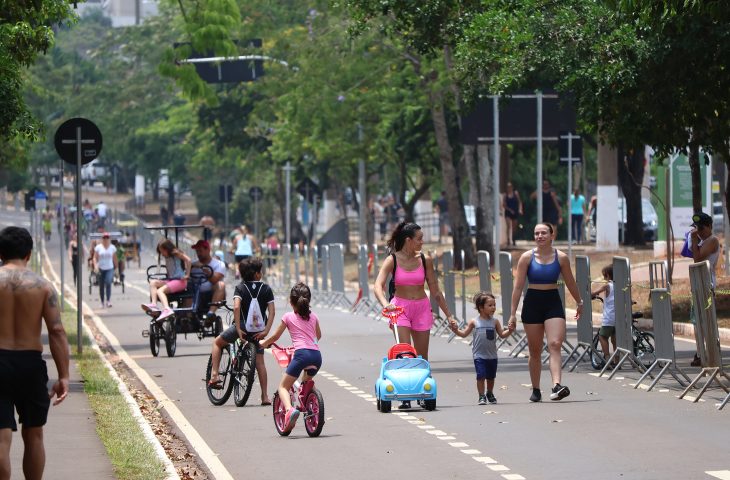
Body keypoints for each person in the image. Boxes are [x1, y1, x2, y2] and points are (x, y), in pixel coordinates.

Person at [0, 226, 70, 479]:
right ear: (29, 254)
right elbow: (57, 331)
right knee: (34, 433)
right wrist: (63, 375)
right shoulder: (43, 287)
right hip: (30, 365)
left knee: (0, 438)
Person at [373, 221, 455, 409]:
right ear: (408, 240)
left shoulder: (425, 259)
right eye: (419, 239)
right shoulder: (392, 259)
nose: (422, 242)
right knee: (404, 353)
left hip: (421, 308)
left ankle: (422, 393)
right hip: (399, 308)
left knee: (421, 357)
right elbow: (378, 285)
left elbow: (435, 289)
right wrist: (386, 305)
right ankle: (404, 395)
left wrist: (449, 315)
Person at [507, 223, 583, 402]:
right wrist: (512, 313)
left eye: (543, 233)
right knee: (535, 351)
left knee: (555, 343)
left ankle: (557, 385)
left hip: (552, 302)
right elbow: (518, 287)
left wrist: (579, 301)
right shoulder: (526, 258)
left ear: (552, 235)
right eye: (536, 233)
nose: (540, 236)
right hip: (532, 302)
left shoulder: (561, 257)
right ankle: (536, 389)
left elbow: (570, 282)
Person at [208, 258, 274, 405]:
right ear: (257, 274)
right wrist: (265, 331)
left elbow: (236, 307)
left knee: (217, 343)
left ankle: (214, 375)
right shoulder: (266, 289)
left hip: (243, 327)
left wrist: (238, 329)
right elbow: (272, 312)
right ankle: (264, 397)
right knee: (260, 363)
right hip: (259, 330)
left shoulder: (241, 288)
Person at [261, 282, 322, 433]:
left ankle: (289, 410)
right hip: (316, 355)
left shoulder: (288, 317)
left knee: (283, 386)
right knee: (306, 383)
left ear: (291, 301)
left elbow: (275, 336)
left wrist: (264, 343)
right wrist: (310, 343)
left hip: (301, 355)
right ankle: (310, 404)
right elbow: (318, 336)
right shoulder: (313, 317)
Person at [449, 292, 513, 405]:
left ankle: (490, 392)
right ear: (481, 307)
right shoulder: (474, 321)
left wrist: (510, 330)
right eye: (490, 305)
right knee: (481, 376)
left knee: (491, 377)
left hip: (492, 355)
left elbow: (502, 334)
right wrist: (455, 330)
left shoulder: (495, 321)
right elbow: (464, 334)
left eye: (494, 305)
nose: (493, 307)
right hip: (479, 355)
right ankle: (481, 395)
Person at [688, 211, 721, 366]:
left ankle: (711, 353)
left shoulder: (713, 240)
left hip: (707, 286)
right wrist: (692, 240)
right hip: (697, 285)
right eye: (696, 229)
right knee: (697, 322)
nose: (699, 232)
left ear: (709, 226)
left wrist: (694, 240)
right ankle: (700, 352)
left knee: (707, 322)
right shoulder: (700, 241)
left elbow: (698, 258)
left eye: (701, 229)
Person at [141, 239, 191, 320]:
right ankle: (153, 304)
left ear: (167, 249)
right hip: (172, 280)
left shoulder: (176, 254)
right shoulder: (167, 257)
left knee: (160, 291)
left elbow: (188, 260)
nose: (162, 254)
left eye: (162, 251)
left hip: (180, 281)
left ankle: (167, 309)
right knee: (153, 283)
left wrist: (187, 274)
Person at [190, 240, 227, 323]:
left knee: (221, 284)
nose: (198, 253)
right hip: (194, 293)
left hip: (210, 294)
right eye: (197, 251)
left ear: (208, 250)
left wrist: (203, 268)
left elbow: (214, 279)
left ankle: (210, 313)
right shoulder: (193, 264)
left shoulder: (219, 264)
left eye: (200, 251)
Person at [591, 265, 617, 368]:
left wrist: (591, 294)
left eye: (604, 276)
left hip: (609, 318)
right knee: (615, 340)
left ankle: (607, 358)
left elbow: (594, 293)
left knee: (602, 336)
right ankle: (617, 361)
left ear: (607, 275)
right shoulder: (619, 285)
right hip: (618, 318)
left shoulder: (607, 286)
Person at [92, 232, 118, 308]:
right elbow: (95, 257)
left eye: (107, 238)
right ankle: (102, 302)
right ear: (102, 239)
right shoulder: (98, 247)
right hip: (101, 268)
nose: (106, 239)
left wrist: (116, 269)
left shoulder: (112, 247)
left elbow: (115, 258)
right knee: (101, 285)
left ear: (109, 239)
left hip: (109, 268)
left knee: (108, 282)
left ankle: (108, 301)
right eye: (104, 238)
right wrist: (95, 266)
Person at [502, 182, 523, 246]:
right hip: (508, 212)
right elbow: (504, 205)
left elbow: (519, 202)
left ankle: (514, 239)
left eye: (510, 187)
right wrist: (510, 210)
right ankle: (508, 240)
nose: (509, 188)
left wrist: (520, 209)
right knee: (508, 226)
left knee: (514, 227)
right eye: (508, 187)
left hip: (515, 211)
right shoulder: (505, 195)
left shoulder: (515, 194)